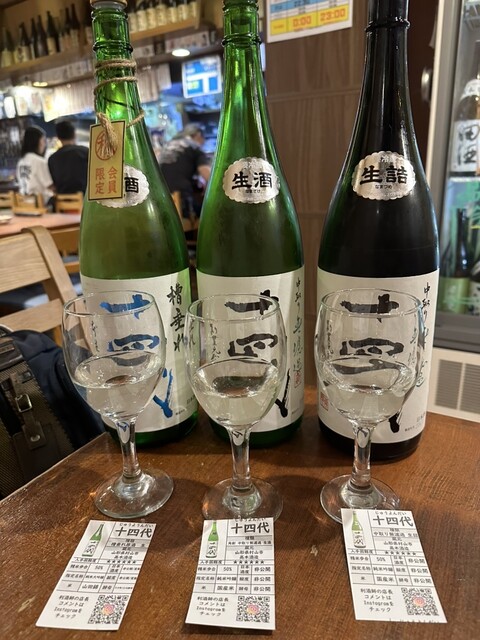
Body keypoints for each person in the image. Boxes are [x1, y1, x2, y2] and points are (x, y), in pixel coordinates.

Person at [159, 123, 211, 218]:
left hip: (160, 197)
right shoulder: (195, 147)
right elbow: (207, 175)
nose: (203, 143)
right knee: (207, 211)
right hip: (181, 199)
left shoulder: (167, 146)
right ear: (198, 135)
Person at [48, 119, 89, 195]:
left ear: (58, 137)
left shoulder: (52, 158)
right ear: (74, 134)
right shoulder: (85, 152)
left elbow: (54, 185)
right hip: (85, 199)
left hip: (62, 200)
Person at [16, 126, 54, 206]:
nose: (44, 144)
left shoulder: (21, 162)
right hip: (39, 203)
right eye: (43, 140)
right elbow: (49, 185)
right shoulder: (39, 161)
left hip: (23, 202)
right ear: (38, 142)